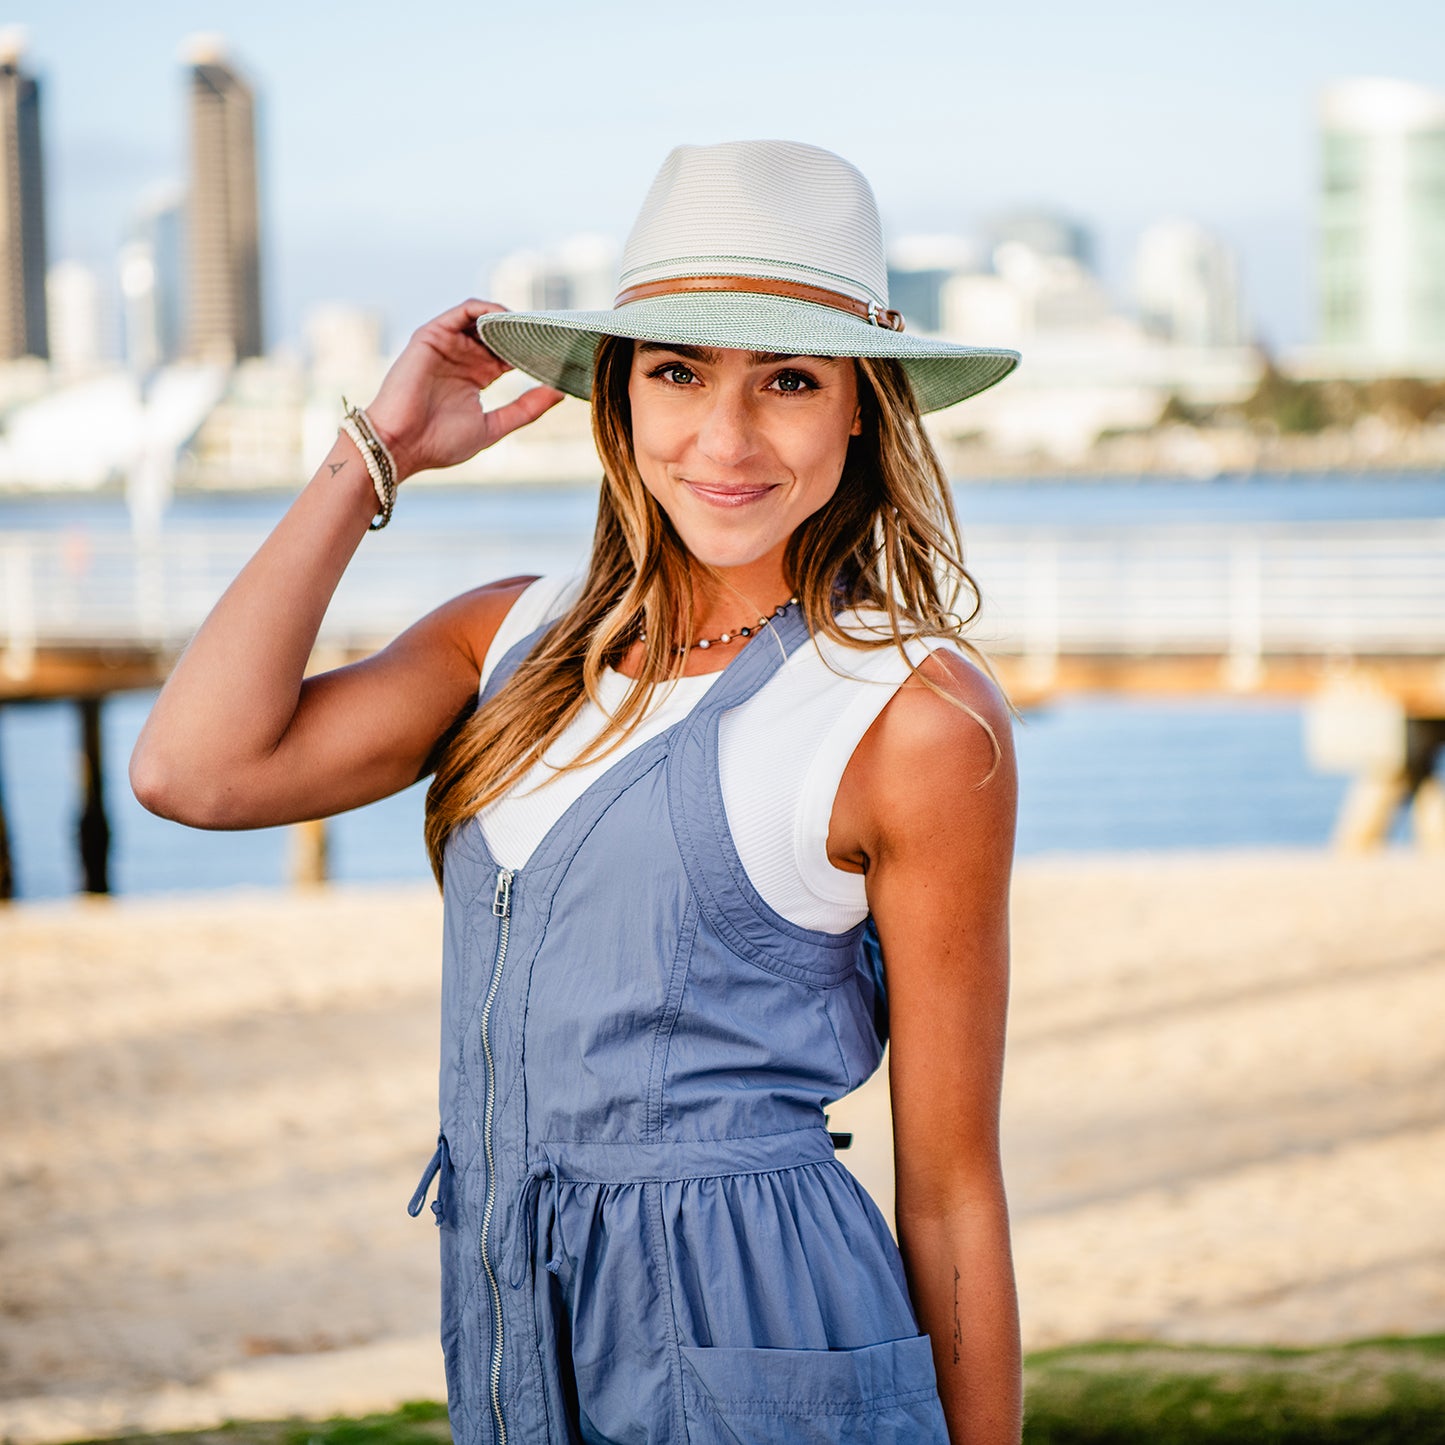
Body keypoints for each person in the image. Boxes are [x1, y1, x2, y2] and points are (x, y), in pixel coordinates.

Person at [131, 139, 1023, 1445]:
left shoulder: (907, 714)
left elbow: (949, 1190)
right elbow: (192, 771)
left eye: (785, 379)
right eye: (676, 371)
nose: (725, 437)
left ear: (858, 407)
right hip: (512, 1337)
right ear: (615, 395)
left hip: (766, 1347)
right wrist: (373, 455)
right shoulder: (502, 639)